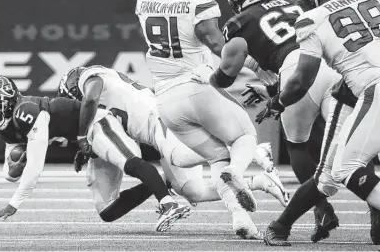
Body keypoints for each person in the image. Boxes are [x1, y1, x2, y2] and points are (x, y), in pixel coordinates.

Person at [135, 0, 278, 239]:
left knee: (217, 158)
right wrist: (254, 63)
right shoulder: (200, 4)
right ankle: (239, 171)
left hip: (165, 100)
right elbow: (219, 47)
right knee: (245, 137)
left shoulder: (145, 2)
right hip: (195, 87)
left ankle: (240, 219)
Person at [209, 0, 341, 242]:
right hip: (332, 65)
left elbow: (226, 73)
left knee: (298, 144)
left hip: (295, 70)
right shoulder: (297, 1)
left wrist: (209, 77)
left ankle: (321, 209)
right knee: (349, 139)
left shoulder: (239, 22)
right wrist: (272, 86)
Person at [57, 65, 289, 221]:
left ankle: (252, 150)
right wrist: (89, 147)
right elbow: (114, 136)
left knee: (179, 156)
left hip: (159, 119)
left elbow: (90, 98)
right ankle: (259, 182)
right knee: (193, 192)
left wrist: (81, 134)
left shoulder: (93, 77)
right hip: (156, 131)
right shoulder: (110, 101)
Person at [257, 0, 380, 245]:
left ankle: (281, 225)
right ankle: (281, 226)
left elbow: (301, 80)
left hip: (373, 87)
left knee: (345, 168)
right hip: (358, 88)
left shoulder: (312, 19)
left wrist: (278, 102)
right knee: (331, 171)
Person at [0, 75, 189, 232]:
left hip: (98, 124)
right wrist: (15, 167)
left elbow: (36, 165)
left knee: (129, 163)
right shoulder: (8, 128)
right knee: (108, 211)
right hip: (88, 141)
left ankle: (168, 203)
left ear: (8, 101)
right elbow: (10, 174)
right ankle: (165, 181)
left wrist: (14, 204)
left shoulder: (25, 111)